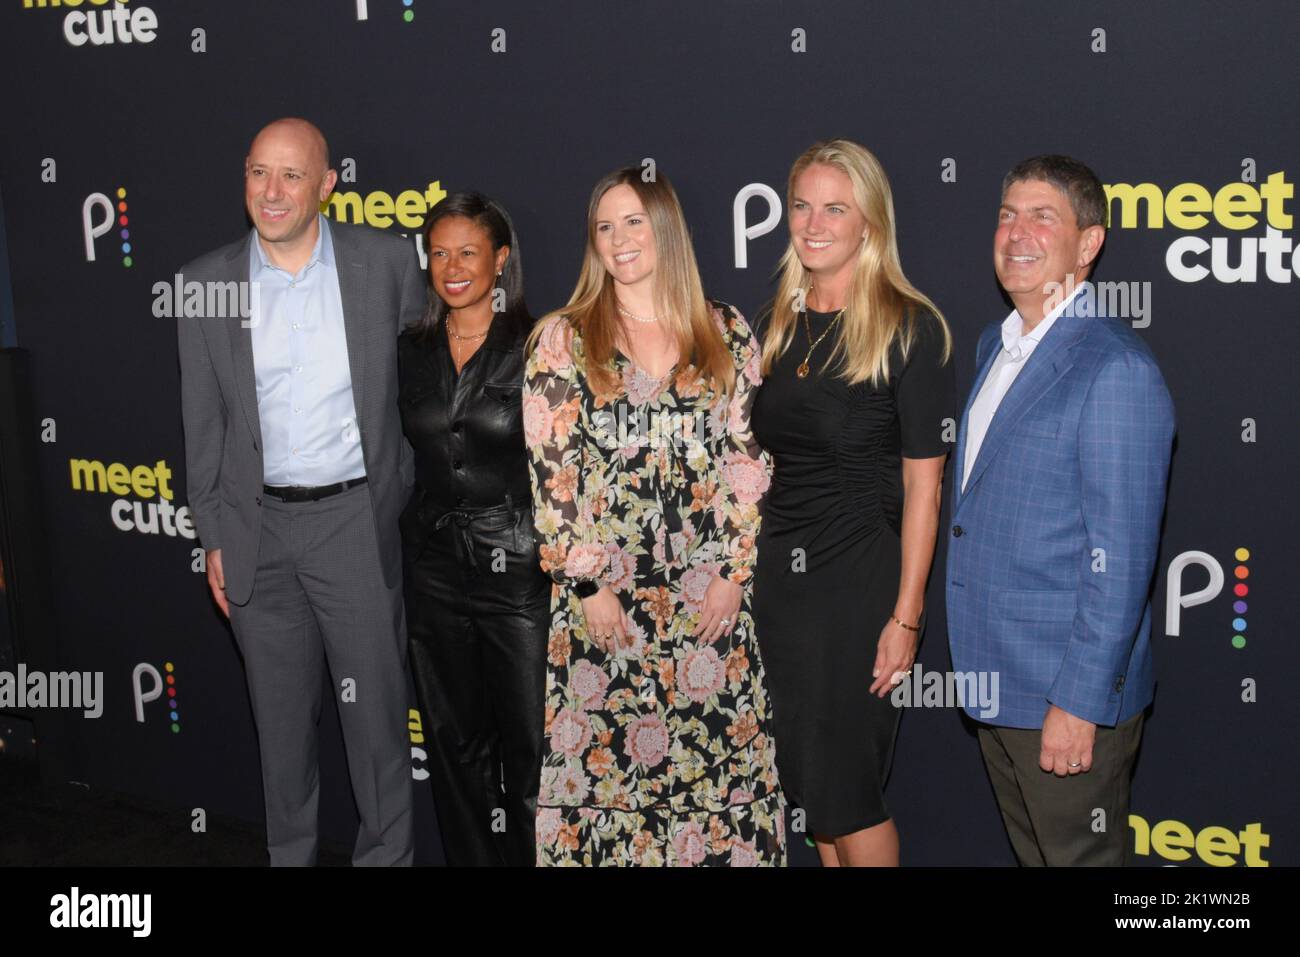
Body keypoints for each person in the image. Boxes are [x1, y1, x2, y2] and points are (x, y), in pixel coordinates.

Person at [523, 167, 786, 866]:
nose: (618, 238)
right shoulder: (564, 339)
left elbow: (747, 463)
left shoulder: (725, 329)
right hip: (606, 606)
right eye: (604, 227)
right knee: (610, 786)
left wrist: (734, 573)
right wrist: (587, 588)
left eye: (633, 221)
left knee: (715, 783)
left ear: (666, 229)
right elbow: (554, 480)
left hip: (709, 606)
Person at [176, 117, 419, 866]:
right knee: (280, 736)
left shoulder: (384, 265)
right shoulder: (203, 284)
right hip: (258, 534)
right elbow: (204, 426)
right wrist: (215, 534)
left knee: (378, 733)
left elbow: (426, 395)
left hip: (354, 522)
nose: (271, 192)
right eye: (257, 173)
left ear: (327, 184)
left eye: (290, 175)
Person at [947, 155, 1175, 866]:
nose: (1016, 232)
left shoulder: (1116, 370)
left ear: (1088, 243)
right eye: (1007, 213)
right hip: (999, 683)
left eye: (1042, 216)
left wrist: (1076, 704)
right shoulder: (996, 343)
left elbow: (1123, 564)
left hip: (1062, 698)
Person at [750, 140, 955, 867]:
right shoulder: (780, 321)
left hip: (861, 583)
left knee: (849, 795)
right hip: (783, 584)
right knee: (814, 793)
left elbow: (926, 485)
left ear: (870, 221)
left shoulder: (909, 325)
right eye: (802, 205)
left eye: (835, 207)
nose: (813, 222)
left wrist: (907, 614)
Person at [397, 192, 549, 866]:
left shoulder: (541, 345)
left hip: (518, 570)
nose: (451, 267)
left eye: (468, 252)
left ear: (502, 259)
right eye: (438, 252)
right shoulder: (412, 349)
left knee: (532, 747)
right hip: (432, 570)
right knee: (456, 745)